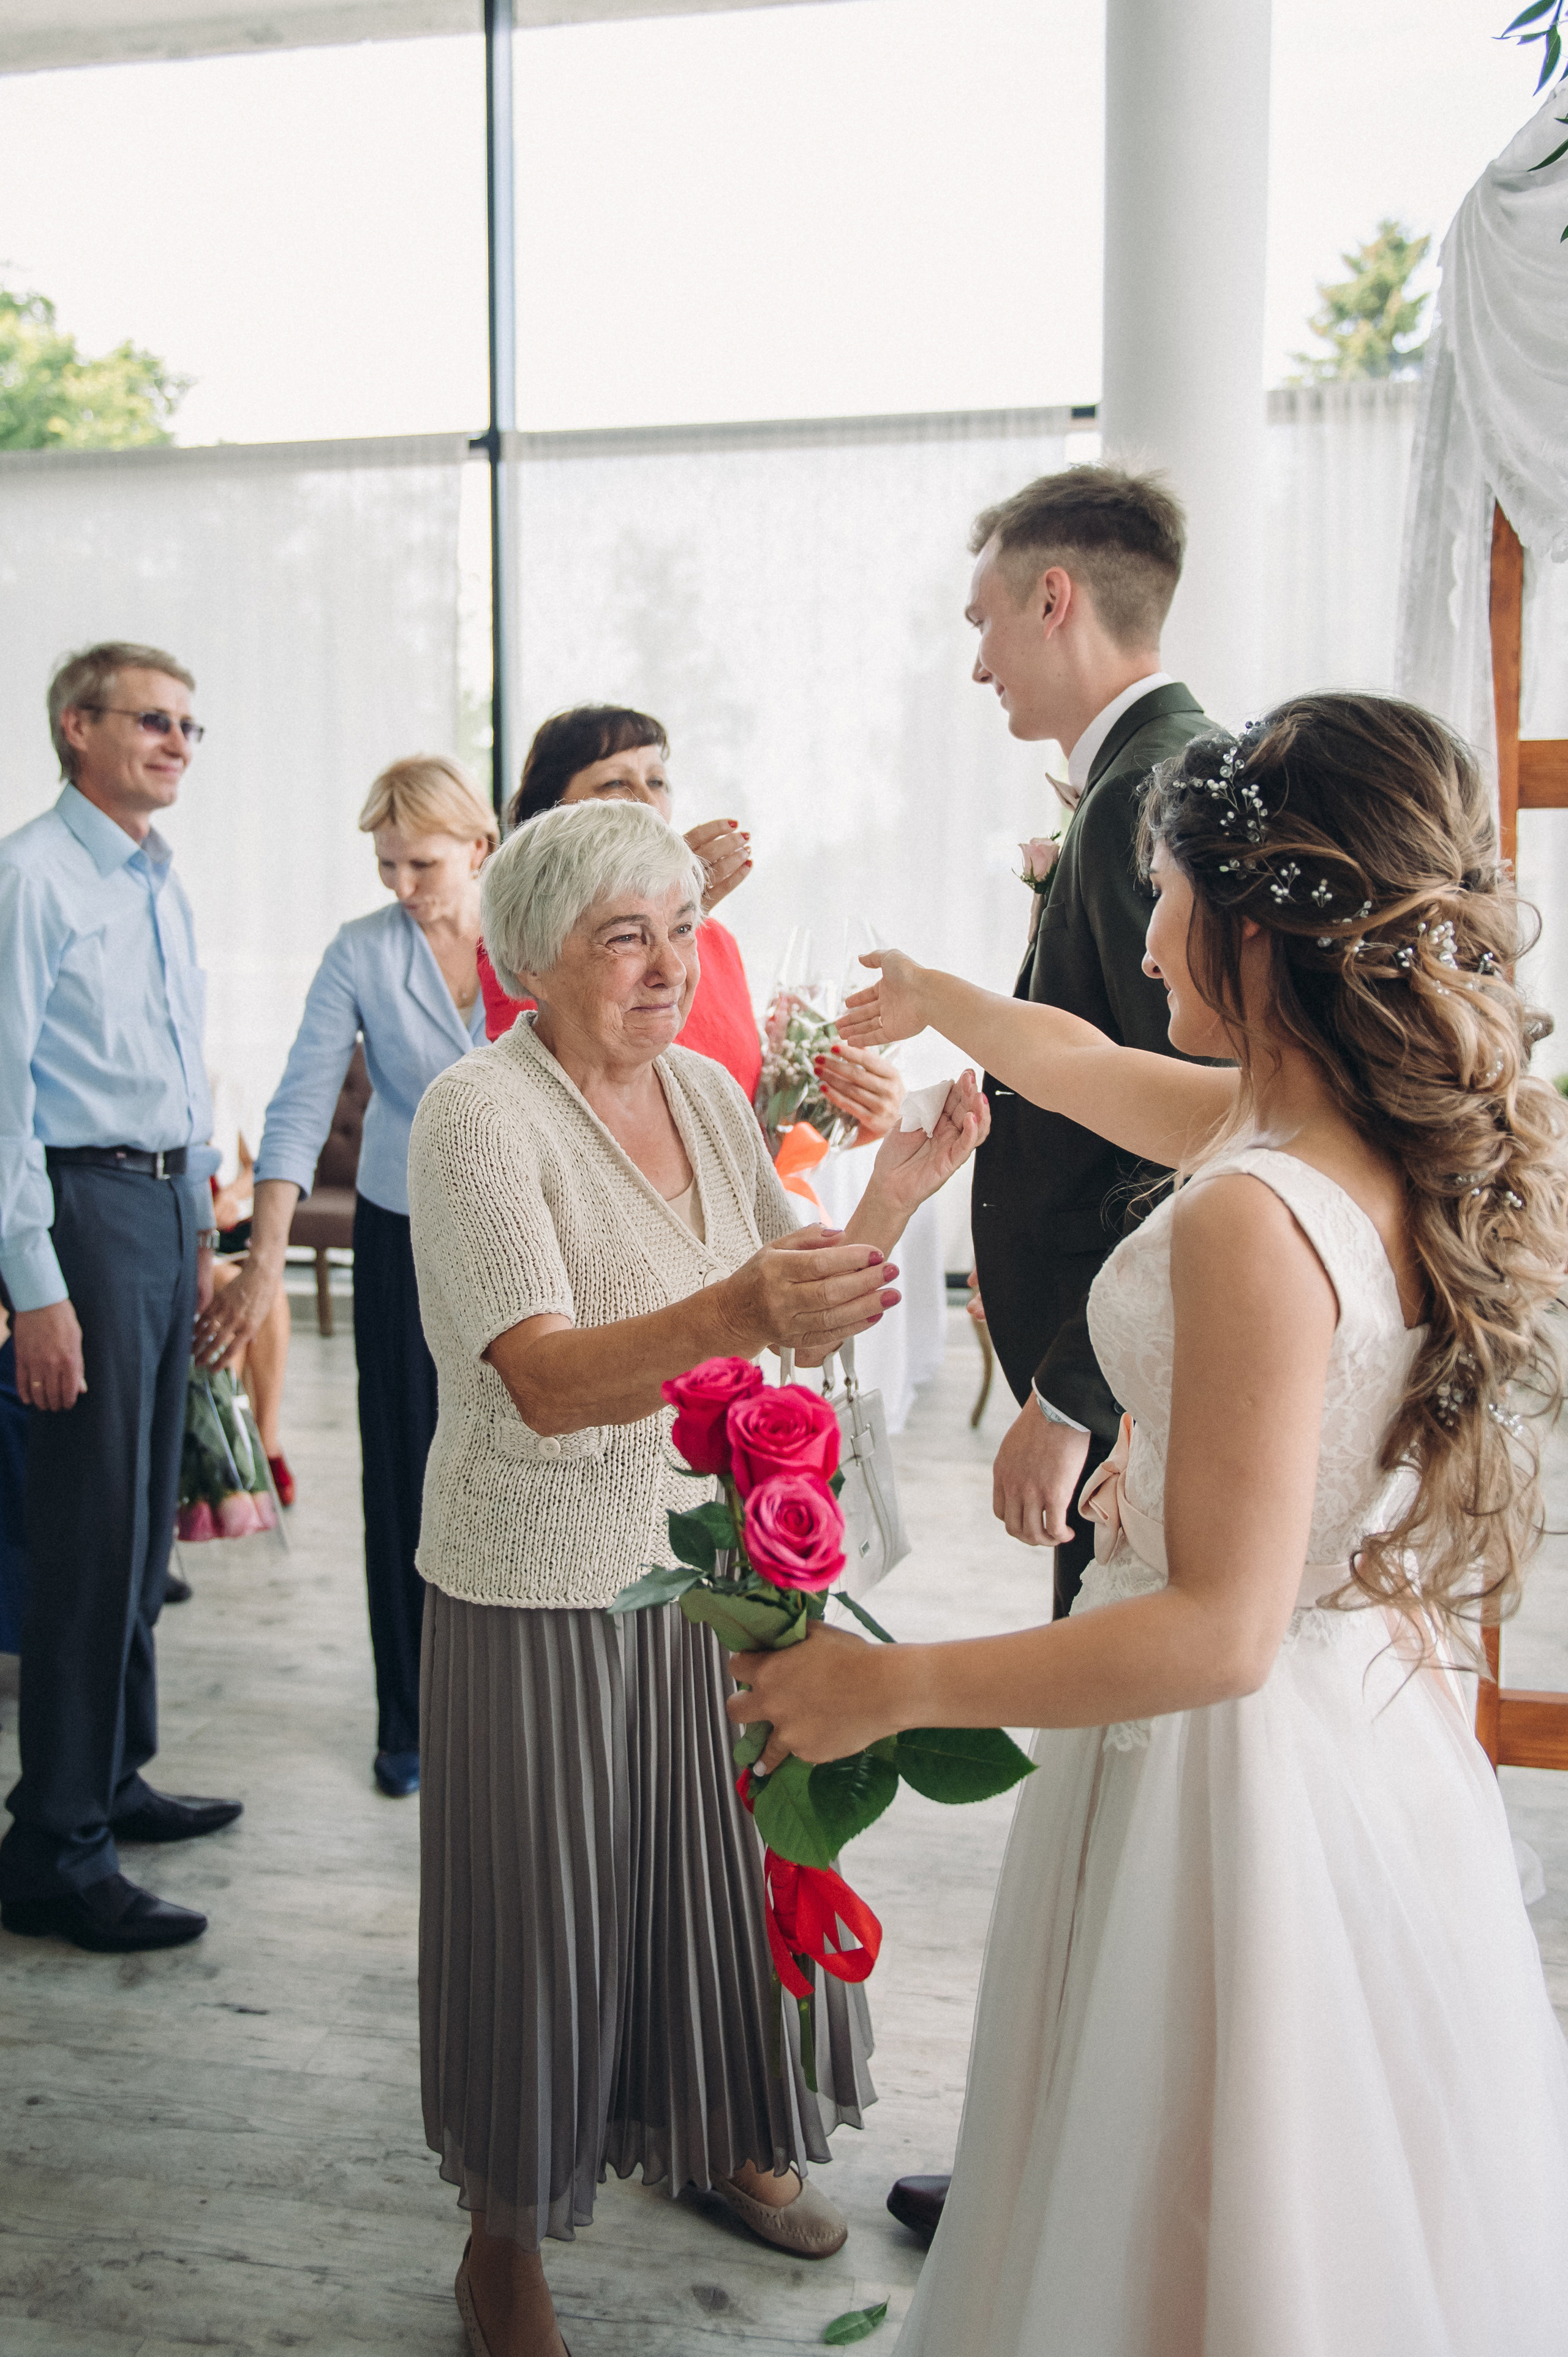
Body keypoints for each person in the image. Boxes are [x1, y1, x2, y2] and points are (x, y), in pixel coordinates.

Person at [737, 694, 1568, 2357]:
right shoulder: (1333, 1130)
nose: (1153, 928)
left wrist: (883, 1685)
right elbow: (1093, 1068)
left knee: (1196, 2185)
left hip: (1229, 1766)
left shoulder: (1254, 1210)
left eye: (1170, 887)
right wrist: (950, 998)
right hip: (1356, 1727)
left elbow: (1218, 1627)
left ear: (1254, 927)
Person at [407, 798, 987, 2357]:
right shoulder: (479, 1114)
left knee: (723, 1887)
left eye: (680, 928)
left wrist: (896, 1194)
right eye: (624, 937)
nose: (668, 965)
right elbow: (541, 1379)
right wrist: (731, 1301)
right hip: (538, 1580)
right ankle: (502, 2244)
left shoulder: (714, 1099)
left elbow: (793, 1316)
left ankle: (727, 2133)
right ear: (533, 960)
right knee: (544, 1916)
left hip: (718, 1567)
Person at [196, 755, 498, 1799]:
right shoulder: (361, 953)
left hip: (526, 1233)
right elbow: (296, 1105)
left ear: (479, 848)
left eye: (421, 862)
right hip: (403, 1226)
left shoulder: (536, 931)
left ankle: (506, 1697)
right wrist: (262, 1262)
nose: (402, 885)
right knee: (405, 1467)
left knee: (523, 1462)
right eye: (385, 864)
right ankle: (409, 1714)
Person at [0, 642, 240, 1956]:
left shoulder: (157, 880)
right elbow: (1, 1100)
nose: (178, 746)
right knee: (90, 1534)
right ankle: (54, 1846)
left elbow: (178, 1058)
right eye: (155, 722)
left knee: (147, 1520)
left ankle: (109, 1779)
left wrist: (200, 1217)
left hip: (158, 1207)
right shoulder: (30, 880)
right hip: (80, 1211)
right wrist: (34, 1287)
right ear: (74, 727)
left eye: (193, 729)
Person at [966, 464, 1213, 1622]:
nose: (979, 663)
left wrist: (1074, 1397)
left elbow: (1198, 1127)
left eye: (985, 620)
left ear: (1053, 597)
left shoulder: (1139, 793)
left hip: (1128, 1381)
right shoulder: (1145, 768)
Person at [479, 703, 904, 1142]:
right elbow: (560, 1098)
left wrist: (851, 1110)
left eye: (657, 781)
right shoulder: (527, 945)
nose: (647, 800)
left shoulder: (715, 942)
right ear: (551, 816)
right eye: (615, 783)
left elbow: (750, 1122)